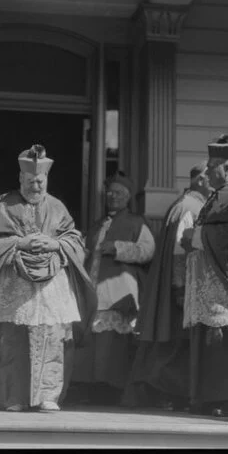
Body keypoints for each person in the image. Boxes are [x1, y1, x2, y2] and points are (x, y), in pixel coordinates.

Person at [0, 145, 96, 412]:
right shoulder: (4, 207)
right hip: (14, 285)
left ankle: (49, 395)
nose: (36, 186)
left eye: (41, 181)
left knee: (53, 337)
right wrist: (19, 243)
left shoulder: (58, 206)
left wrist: (54, 244)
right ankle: (14, 396)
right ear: (21, 180)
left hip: (51, 286)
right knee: (13, 339)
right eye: (31, 181)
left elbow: (74, 238)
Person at [123, 161, 212, 411]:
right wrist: (181, 288)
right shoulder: (189, 207)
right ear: (201, 180)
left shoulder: (188, 204)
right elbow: (178, 253)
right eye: (211, 178)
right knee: (174, 345)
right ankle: (164, 394)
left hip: (183, 289)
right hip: (182, 291)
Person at [70, 173, 155, 405]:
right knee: (93, 343)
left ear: (127, 197)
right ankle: (90, 387)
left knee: (113, 344)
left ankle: (112, 390)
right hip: (95, 290)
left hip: (120, 291)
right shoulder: (98, 224)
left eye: (118, 193)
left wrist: (118, 247)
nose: (112, 196)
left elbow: (148, 251)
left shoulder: (138, 222)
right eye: (109, 192)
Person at [181, 139, 228, 418]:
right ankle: (204, 395)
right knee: (207, 335)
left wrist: (195, 237)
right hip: (206, 279)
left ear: (227, 167)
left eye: (212, 167)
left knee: (222, 336)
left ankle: (221, 397)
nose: (206, 174)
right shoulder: (219, 192)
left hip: (222, 278)